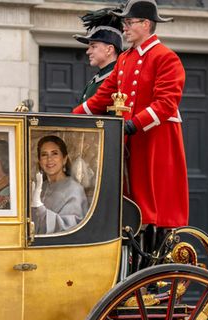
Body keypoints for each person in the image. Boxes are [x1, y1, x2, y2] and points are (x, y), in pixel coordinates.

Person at [72, 0, 188, 243]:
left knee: (152, 200)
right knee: (130, 197)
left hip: (155, 139)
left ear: (146, 24)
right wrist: (72, 117)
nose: (124, 27)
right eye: (124, 22)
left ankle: (155, 248)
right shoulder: (125, 58)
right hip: (129, 139)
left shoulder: (166, 57)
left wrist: (134, 124)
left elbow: (166, 103)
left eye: (129, 22)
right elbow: (103, 97)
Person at [30, 135, 88, 234]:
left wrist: (39, 208)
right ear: (40, 161)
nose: (49, 159)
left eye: (54, 154)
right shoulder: (42, 187)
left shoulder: (74, 189)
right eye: (44, 155)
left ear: (64, 159)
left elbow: (69, 228)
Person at [74, 9, 125, 105]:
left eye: (93, 46)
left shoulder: (119, 79)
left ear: (109, 49)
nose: (88, 52)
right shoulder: (97, 79)